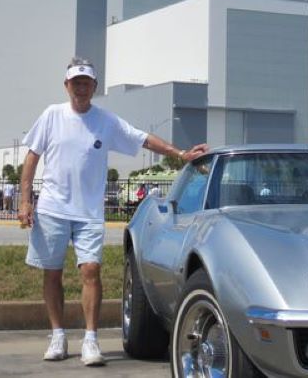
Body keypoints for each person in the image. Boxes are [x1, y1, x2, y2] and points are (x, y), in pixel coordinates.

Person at [18, 57, 208, 366]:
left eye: (86, 82)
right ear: (67, 86)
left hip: (88, 212)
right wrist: (25, 201)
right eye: (76, 82)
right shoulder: (51, 116)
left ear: (94, 87)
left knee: (91, 271)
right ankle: (57, 335)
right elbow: (31, 158)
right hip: (52, 209)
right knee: (51, 273)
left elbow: (142, 138)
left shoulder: (106, 121)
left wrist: (180, 153)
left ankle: (91, 340)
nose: (81, 87)